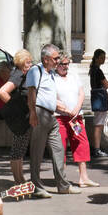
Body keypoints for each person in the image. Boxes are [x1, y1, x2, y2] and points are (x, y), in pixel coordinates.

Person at [26, 44, 73, 195]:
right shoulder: (36, 70)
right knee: (37, 152)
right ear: (46, 59)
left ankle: (63, 185)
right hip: (40, 114)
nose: (58, 61)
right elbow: (31, 93)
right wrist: (33, 112)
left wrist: (63, 109)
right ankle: (36, 187)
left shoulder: (51, 74)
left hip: (51, 116)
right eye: (55, 58)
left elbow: (49, 96)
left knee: (59, 149)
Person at [0, 52, 40, 193]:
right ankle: (18, 180)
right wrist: (15, 107)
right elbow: (2, 92)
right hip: (20, 116)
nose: (30, 64)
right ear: (21, 63)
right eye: (28, 62)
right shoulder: (18, 75)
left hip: (23, 116)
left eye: (30, 62)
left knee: (19, 149)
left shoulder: (21, 74)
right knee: (17, 149)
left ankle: (20, 178)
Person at [54, 55, 98, 187]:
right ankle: (62, 178)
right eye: (63, 64)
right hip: (60, 117)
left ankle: (83, 177)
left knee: (81, 143)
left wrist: (77, 108)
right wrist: (67, 110)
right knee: (60, 147)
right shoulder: (51, 78)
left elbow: (81, 93)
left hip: (76, 118)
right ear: (56, 64)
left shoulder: (73, 76)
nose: (66, 66)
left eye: (67, 64)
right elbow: (50, 98)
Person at [88, 49, 108, 158]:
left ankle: (96, 147)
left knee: (98, 122)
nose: (103, 60)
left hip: (96, 96)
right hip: (100, 97)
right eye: (101, 57)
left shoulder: (93, 69)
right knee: (99, 124)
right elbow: (106, 84)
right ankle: (96, 148)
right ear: (97, 58)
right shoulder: (98, 71)